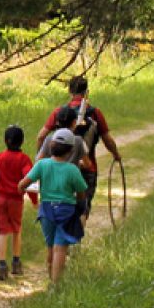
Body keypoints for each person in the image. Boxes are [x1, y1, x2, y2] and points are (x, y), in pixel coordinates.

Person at [36, 76, 122, 223]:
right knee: (83, 207)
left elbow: (41, 136)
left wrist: (40, 159)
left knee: (62, 203)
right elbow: (107, 139)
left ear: (69, 91)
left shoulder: (59, 112)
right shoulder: (95, 113)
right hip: (88, 168)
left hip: (60, 167)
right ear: (86, 92)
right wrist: (116, 155)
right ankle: (76, 239)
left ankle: (63, 239)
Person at [19, 129, 87, 283]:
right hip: (66, 211)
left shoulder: (42, 165)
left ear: (51, 146)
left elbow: (22, 184)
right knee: (60, 248)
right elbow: (82, 193)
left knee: (50, 247)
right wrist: (79, 203)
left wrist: (21, 191)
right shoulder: (73, 170)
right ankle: (56, 285)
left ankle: (51, 278)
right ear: (70, 151)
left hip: (46, 211)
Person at [0, 125, 34, 280]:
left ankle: (1, 265)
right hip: (16, 200)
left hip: (0, 199)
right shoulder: (24, 159)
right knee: (16, 230)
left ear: (5, 140)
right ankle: (16, 263)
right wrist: (34, 200)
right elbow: (30, 180)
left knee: (2, 232)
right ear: (22, 141)